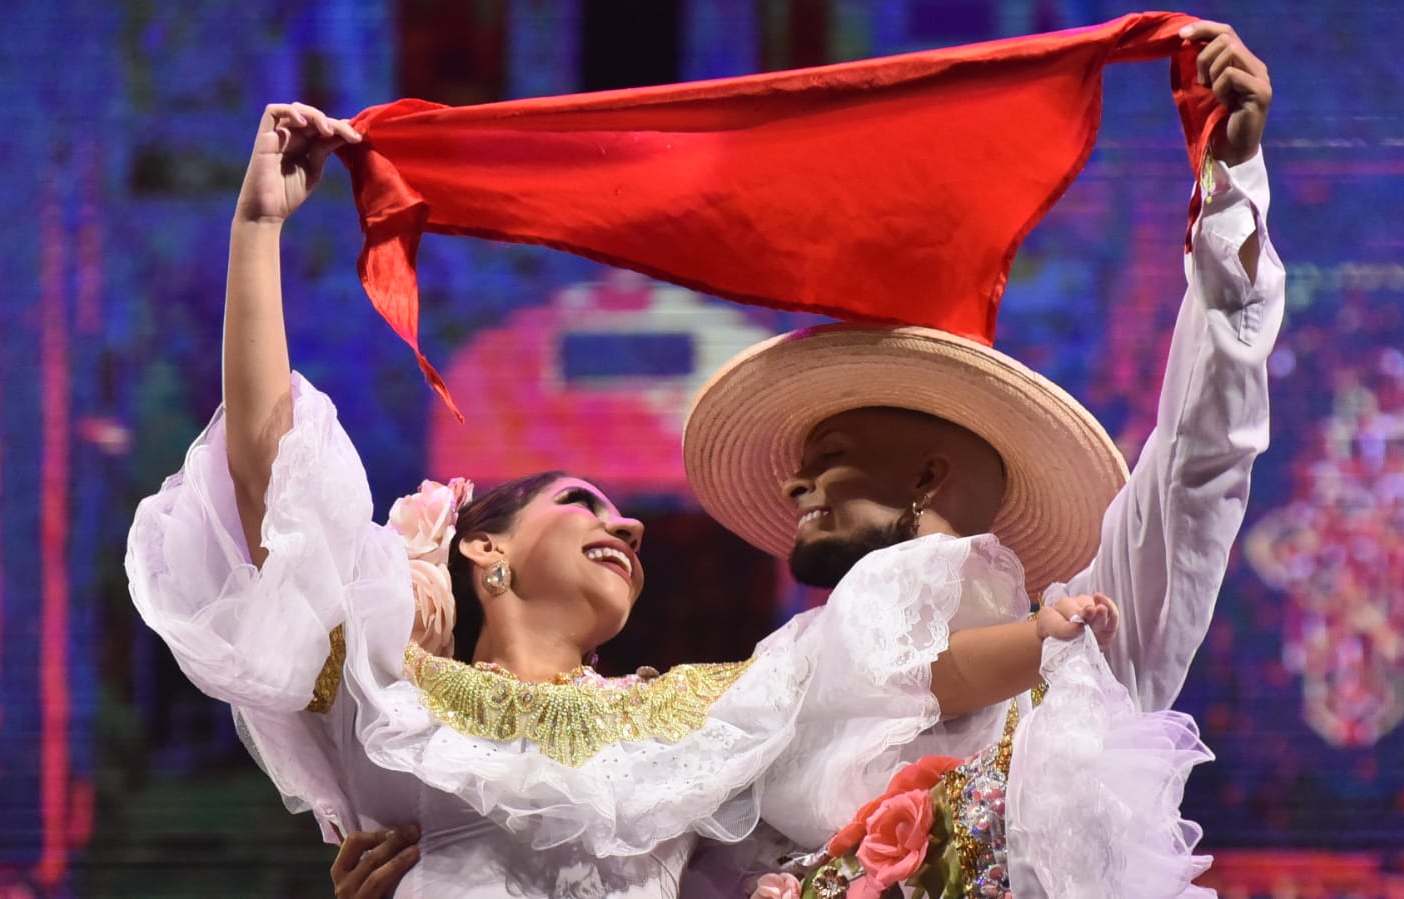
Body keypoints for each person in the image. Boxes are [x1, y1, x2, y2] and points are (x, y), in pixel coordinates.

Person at [328, 17, 1279, 896]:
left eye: (828, 452)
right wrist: (445, 864)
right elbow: (590, 853)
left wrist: (1228, 192)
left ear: (925, 475)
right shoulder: (762, 716)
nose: (794, 481)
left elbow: (1200, 464)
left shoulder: (1083, 651)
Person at [125, 101, 1120, 899]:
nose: (629, 523)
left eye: (622, 513)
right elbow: (271, 478)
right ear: (483, 550)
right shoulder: (389, 691)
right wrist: (257, 229)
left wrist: (1040, 636)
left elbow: (882, 671)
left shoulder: (694, 721)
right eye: (579, 499)